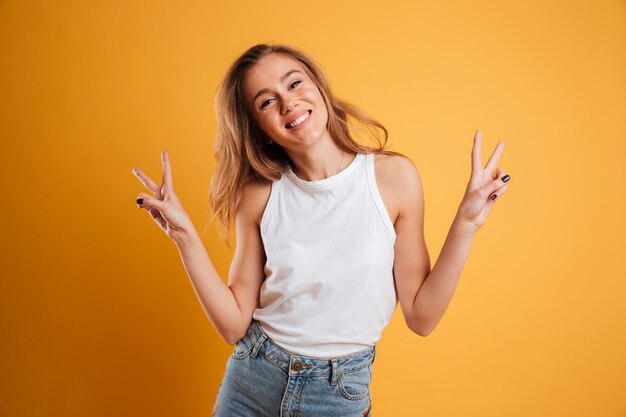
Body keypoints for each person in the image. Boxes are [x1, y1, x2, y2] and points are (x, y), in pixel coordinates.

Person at [132, 43, 510, 417]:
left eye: (294, 83)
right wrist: (183, 236)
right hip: (252, 382)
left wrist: (467, 223)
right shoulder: (259, 194)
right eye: (266, 101)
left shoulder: (393, 178)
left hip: (338, 393)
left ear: (319, 88)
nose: (288, 102)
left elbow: (421, 316)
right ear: (261, 130)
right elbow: (233, 326)